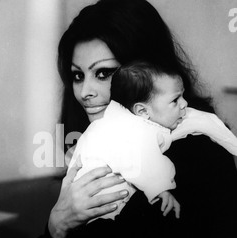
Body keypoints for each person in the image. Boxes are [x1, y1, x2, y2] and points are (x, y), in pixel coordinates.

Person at [25, 0, 237, 238]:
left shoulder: (198, 154)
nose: (85, 92)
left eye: (103, 74)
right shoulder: (98, 147)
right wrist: (58, 224)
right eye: (77, 75)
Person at [68, 60, 237, 222]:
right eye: (175, 100)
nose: (184, 104)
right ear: (142, 111)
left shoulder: (148, 116)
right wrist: (160, 189)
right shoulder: (131, 129)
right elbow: (145, 160)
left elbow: (200, 119)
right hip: (97, 207)